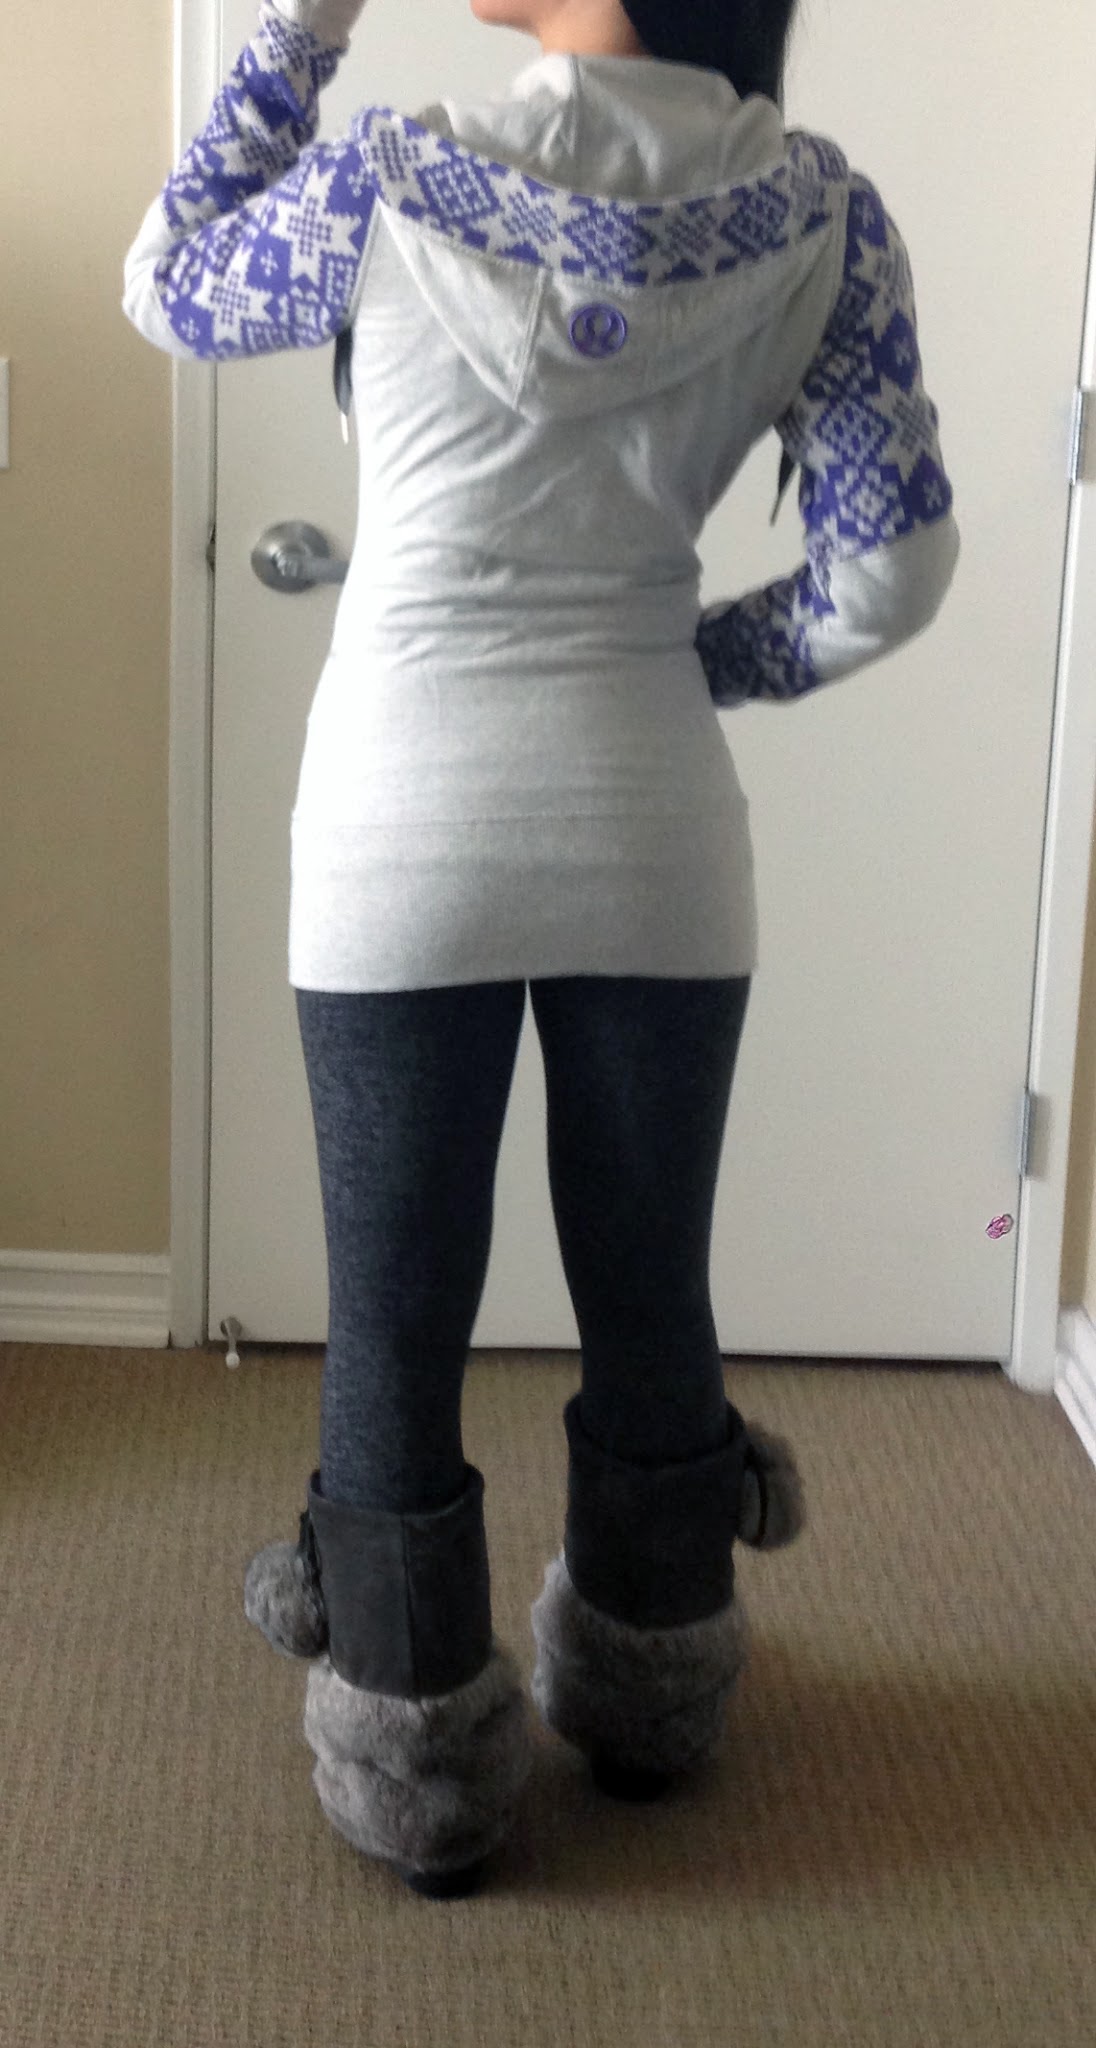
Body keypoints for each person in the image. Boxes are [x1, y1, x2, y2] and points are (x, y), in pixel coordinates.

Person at [122, 0, 960, 1900]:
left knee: (394, 1307)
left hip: (398, 829)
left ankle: (417, 1765)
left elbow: (167, 280)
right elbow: (894, 568)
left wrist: (297, 27)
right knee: (651, 1284)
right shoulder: (822, 219)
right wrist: (690, 665)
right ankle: (654, 1700)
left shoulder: (393, 177)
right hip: (653, 827)